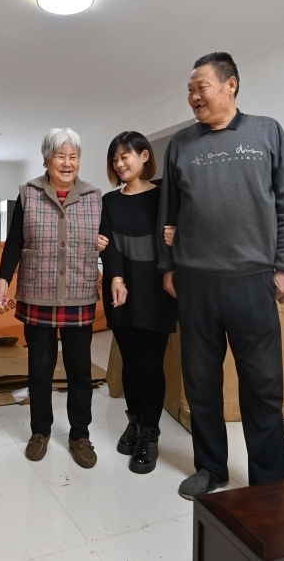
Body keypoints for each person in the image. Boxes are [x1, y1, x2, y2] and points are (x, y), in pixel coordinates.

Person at [158, 52, 284, 499]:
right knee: (201, 384)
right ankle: (211, 468)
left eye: (200, 87)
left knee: (262, 386)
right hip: (196, 282)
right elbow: (168, 212)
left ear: (230, 85)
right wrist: (168, 266)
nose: (193, 97)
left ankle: (269, 483)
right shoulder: (181, 144)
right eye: (189, 90)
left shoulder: (266, 132)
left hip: (252, 279)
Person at [0, 128, 103, 468]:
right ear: (46, 159)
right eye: (60, 156)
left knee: (80, 372)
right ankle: (40, 431)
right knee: (39, 370)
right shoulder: (29, 193)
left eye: (73, 156)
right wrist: (2, 279)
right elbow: (14, 242)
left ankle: (80, 435)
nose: (67, 163)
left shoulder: (94, 196)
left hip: (79, 293)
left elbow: (107, 239)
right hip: (38, 293)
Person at [100, 131, 178, 474]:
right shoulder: (109, 201)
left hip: (156, 291)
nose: (119, 163)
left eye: (125, 156)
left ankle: (150, 434)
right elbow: (107, 245)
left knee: (150, 364)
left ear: (145, 156)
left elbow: (177, 240)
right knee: (130, 362)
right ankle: (134, 421)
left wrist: (180, 237)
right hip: (121, 291)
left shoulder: (164, 197)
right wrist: (116, 278)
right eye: (115, 158)